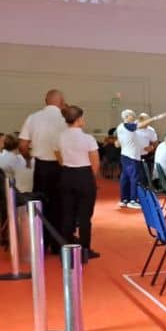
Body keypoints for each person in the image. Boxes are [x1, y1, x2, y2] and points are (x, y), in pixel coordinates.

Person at [19, 89, 67, 248]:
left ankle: (41, 242)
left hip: (41, 167)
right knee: (60, 204)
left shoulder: (33, 118)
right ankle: (58, 243)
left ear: (45, 101)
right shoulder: (66, 119)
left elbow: (23, 145)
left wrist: (28, 157)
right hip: (61, 166)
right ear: (62, 102)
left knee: (40, 204)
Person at [54, 105, 100, 261]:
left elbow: (57, 155)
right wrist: (90, 178)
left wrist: (66, 163)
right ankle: (85, 250)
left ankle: (67, 249)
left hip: (67, 175)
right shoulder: (88, 138)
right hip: (84, 175)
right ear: (79, 119)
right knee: (85, 217)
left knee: (67, 214)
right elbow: (95, 162)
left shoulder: (60, 136)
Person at [115, 109, 147, 209]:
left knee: (125, 178)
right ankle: (133, 200)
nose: (133, 117)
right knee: (134, 178)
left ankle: (124, 199)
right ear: (127, 117)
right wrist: (153, 119)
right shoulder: (127, 125)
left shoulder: (121, 127)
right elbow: (139, 125)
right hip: (131, 156)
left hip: (125, 155)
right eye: (132, 116)